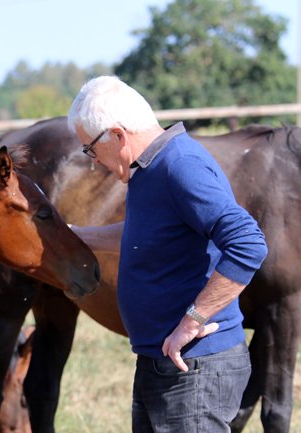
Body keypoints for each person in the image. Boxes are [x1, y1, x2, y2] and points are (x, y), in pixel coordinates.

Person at [66, 75, 268, 433]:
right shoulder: (148, 169)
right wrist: (76, 236)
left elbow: (247, 242)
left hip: (195, 366)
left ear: (117, 135)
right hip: (165, 362)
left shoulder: (180, 165)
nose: (94, 162)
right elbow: (144, 237)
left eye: (90, 149)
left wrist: (193, 320)